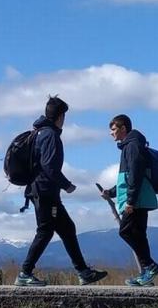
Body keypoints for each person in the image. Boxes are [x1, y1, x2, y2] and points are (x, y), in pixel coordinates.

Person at [15, 96, 108, 287]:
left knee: (67, 228)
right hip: (44, 191)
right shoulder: (49, 135)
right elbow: (49, 166)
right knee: (45, 231)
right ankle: (25, 273)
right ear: (60, 116)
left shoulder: (39, 132)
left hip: (41, 190)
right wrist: (67, 185)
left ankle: (83, 272)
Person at [99, 114, 158, 286]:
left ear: (123, 128)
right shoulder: (131, 145)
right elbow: (125, 179)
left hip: (136, 200)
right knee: (139, 234)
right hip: (139, 198)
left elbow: (135, 175)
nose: (111, 133)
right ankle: (147, 275)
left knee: (125, 231)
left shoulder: (133, 146)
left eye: (113, 129)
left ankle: (150, 266)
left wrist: (130, 201)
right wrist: (111, 192)